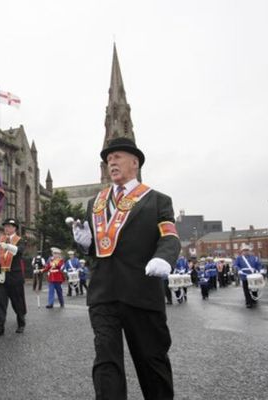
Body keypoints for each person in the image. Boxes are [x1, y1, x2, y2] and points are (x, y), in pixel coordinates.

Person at [71, 137, 180, 399]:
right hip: (103, 293)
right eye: (108, 160)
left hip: (140, 291)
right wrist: (85, 245)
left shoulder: (157, 200)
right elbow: (99, 245)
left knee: (151, 361)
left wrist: (164, 257)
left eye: (117, 157)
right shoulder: (95, 203)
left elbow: (169, 235)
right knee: (106, 361)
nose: (112, 163)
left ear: (135, 162)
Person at [0, 218, 27, 336]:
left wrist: (8, 246)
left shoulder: (20, 240)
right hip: (2, 275)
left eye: (9, 226)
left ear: (15, 228)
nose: (6, 228)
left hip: (14, 276)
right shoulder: (1, 239)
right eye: (5, 226)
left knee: (17, 301)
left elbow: (19, 251)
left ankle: (21, 322)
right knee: (1, 302)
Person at [233, 244, 263, 308]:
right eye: (244, 250)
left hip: (253, 275)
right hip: (244, 276)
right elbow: (236, 265)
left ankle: (254, 299)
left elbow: (258, 265)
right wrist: (239, 270)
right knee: (246, 289)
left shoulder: (254, 257)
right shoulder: (239, 258)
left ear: (249, 251)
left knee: (254, 288)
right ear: (242, 251)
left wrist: (259, 270)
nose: (246, 252)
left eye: (247, 250)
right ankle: (248, 302)